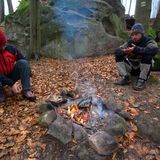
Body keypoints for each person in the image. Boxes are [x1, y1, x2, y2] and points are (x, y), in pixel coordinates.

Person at [114, 23, 159, 91]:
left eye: (137, 34)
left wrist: (136, 49)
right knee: (118, 55)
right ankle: (125, 78)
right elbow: (117, 50)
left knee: (148, 55)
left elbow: (154, 50)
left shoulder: (148, 41)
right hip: (132, 68)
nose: (134, 37)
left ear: (142, 34)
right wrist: (124, 51)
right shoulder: (130, 42)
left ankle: (142, 81)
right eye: (132, 35)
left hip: (143, 69)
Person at [0, 29, 36, 102]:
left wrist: (29, 75)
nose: (4, 47)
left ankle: (26, 90)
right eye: (1, 45)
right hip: (0, 78)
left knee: (23, 63)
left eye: (4, 44)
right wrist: (12, 84)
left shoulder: (11, 49)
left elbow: (24, 61)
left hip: (11, 75)